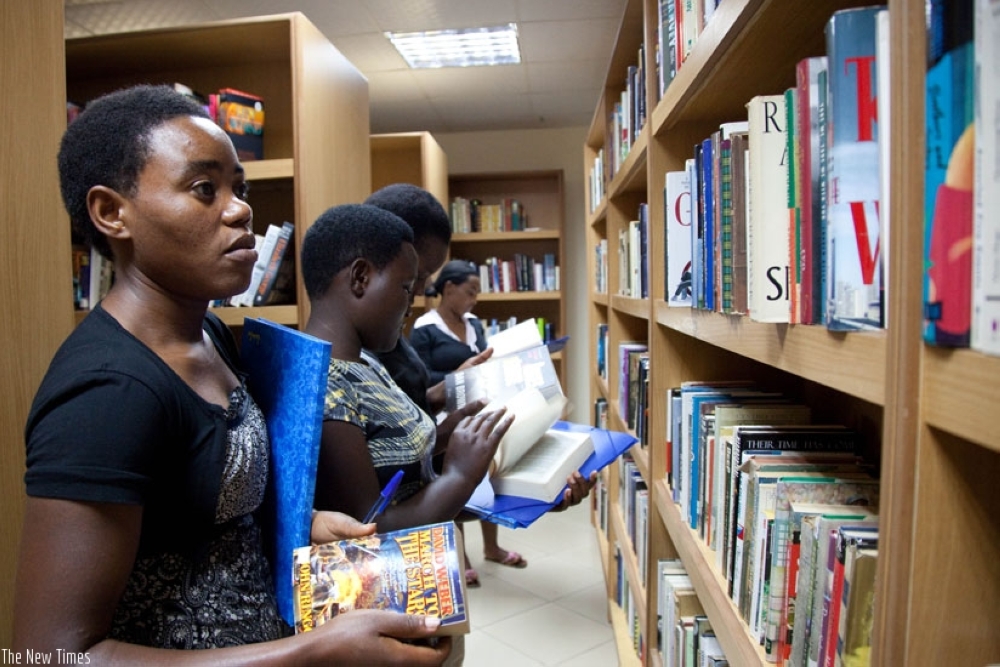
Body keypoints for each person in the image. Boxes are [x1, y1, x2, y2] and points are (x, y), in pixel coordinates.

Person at [13, 84, 451, 665]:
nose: (241, 209)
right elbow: (46, 654)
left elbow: (198, 515)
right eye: (204, 189)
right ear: (112, 213)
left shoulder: (212, 335)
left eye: (238, 189)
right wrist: (311, 653)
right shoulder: (106, 392)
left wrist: (304, 523)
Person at [410, 259, 530, 584]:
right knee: (454, 484)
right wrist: (458, 374)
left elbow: (485, 359)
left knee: (486, 477)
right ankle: (460, 558)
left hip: (481, 412)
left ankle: (492, 547)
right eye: (470, 291)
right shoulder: (424, 328)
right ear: (449, 289)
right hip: (447, 421)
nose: (474, 299)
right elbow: (420, 379)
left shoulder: (474, 324)